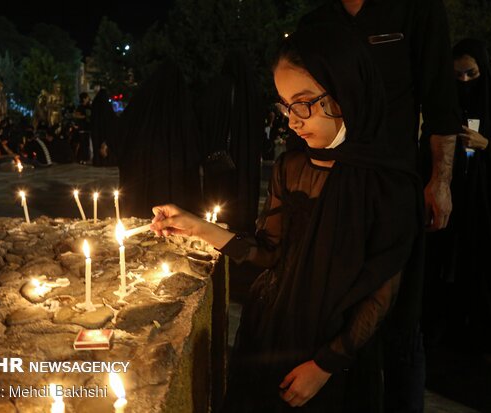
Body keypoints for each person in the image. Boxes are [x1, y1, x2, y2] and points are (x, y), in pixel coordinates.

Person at [150, 25, 420, 412]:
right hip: (272, 335)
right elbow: (268, 252)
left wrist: (326, 364)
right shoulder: (292, 166)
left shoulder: (388, 183)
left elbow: (381, 292)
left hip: (335, 356)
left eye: (304, 102)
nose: (292, 120)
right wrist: (195, 224)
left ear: (346, 92)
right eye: (285, 105)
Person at [299, 2, 462, 411]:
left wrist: (439, 181)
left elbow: (441, 101)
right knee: (335, 308)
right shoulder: (316, 20)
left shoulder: (415, 10)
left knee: (399, 319)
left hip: (396, 182)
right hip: (335, 180)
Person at [422, 39, 491, 377]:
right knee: (441, 265)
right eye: (457, 75)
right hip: (452, 197)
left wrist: (486, 145)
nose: (464, 82)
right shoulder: (444, 102)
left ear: (483, 70)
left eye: (470, 74)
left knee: (487, 269)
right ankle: (441, 331)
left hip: (487, 206)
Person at [117, 60, 201, 218]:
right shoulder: (182, 107)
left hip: (141, 173)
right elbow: (192, 147)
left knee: (142, 216)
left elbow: (122, 133)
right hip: (175, 177)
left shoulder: (141, 103)